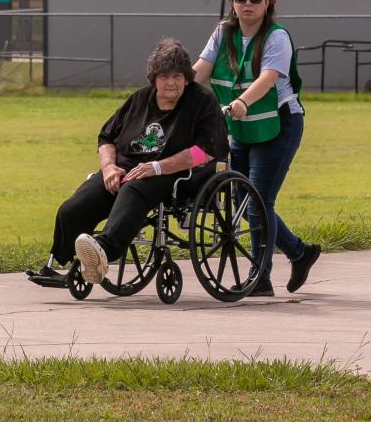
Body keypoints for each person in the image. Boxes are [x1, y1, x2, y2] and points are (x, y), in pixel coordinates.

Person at [29, 38, 229, 287]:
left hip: (175, 174)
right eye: (164, 76)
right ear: (154, 78)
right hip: (125, 169)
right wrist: (109, 167)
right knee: (75, 207)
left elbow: (208, 151)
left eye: (177, 76)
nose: (171, 82)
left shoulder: (202, 101)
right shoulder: (139, 99)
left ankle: (102, 251)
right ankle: (62, 260)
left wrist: (157, 167)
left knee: (135, 188)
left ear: (187, 78)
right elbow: (106, 137)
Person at [194, 0, 320, 298]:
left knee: (258, 200)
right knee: (242, 199)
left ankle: (259, 277)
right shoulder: (223, 33)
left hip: (279, 124)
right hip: (242, 126)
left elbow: (268, 77)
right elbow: (201, 69)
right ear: (232, 5)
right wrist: (173, 90)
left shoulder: (276, 37)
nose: (247, 5)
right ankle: (299, 252)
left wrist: (241, 101)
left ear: (268, 3)